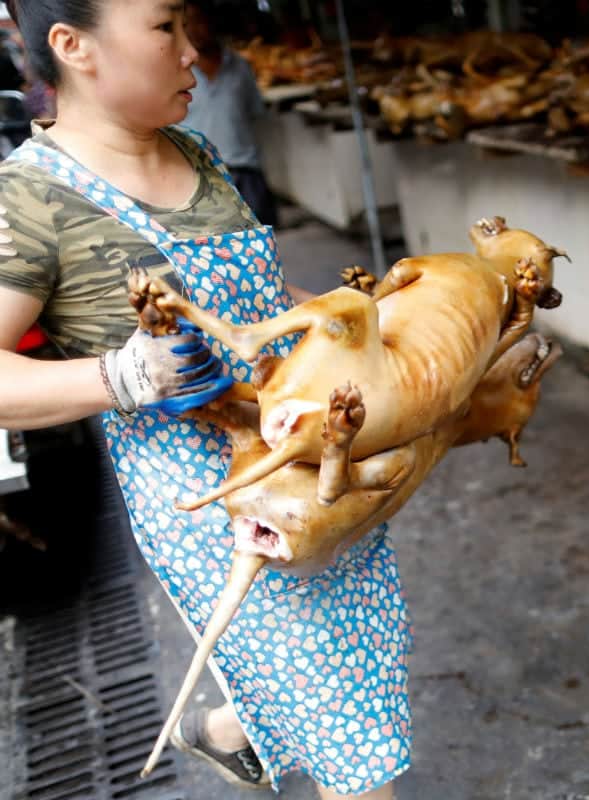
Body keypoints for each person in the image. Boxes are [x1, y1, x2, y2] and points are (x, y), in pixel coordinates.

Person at [0, 1, 412, 798]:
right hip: (226, 505)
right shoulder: (30, 199)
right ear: (72, 45)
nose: (194, 51)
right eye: (165, 29)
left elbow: (261, 299)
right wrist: (124, 376)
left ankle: (226, 728)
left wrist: (361, 320)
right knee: (350, 725)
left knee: (365, 660)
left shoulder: (195, 149)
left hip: (313, 455)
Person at [181, 0, 278, 226]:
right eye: (187, 23)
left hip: (246, 173)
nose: (194, 29)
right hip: (201, 177)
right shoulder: (178, 74)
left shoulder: (240, 66)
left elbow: (255, 114)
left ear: (213, 23)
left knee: (261, 245)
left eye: (199, 21)